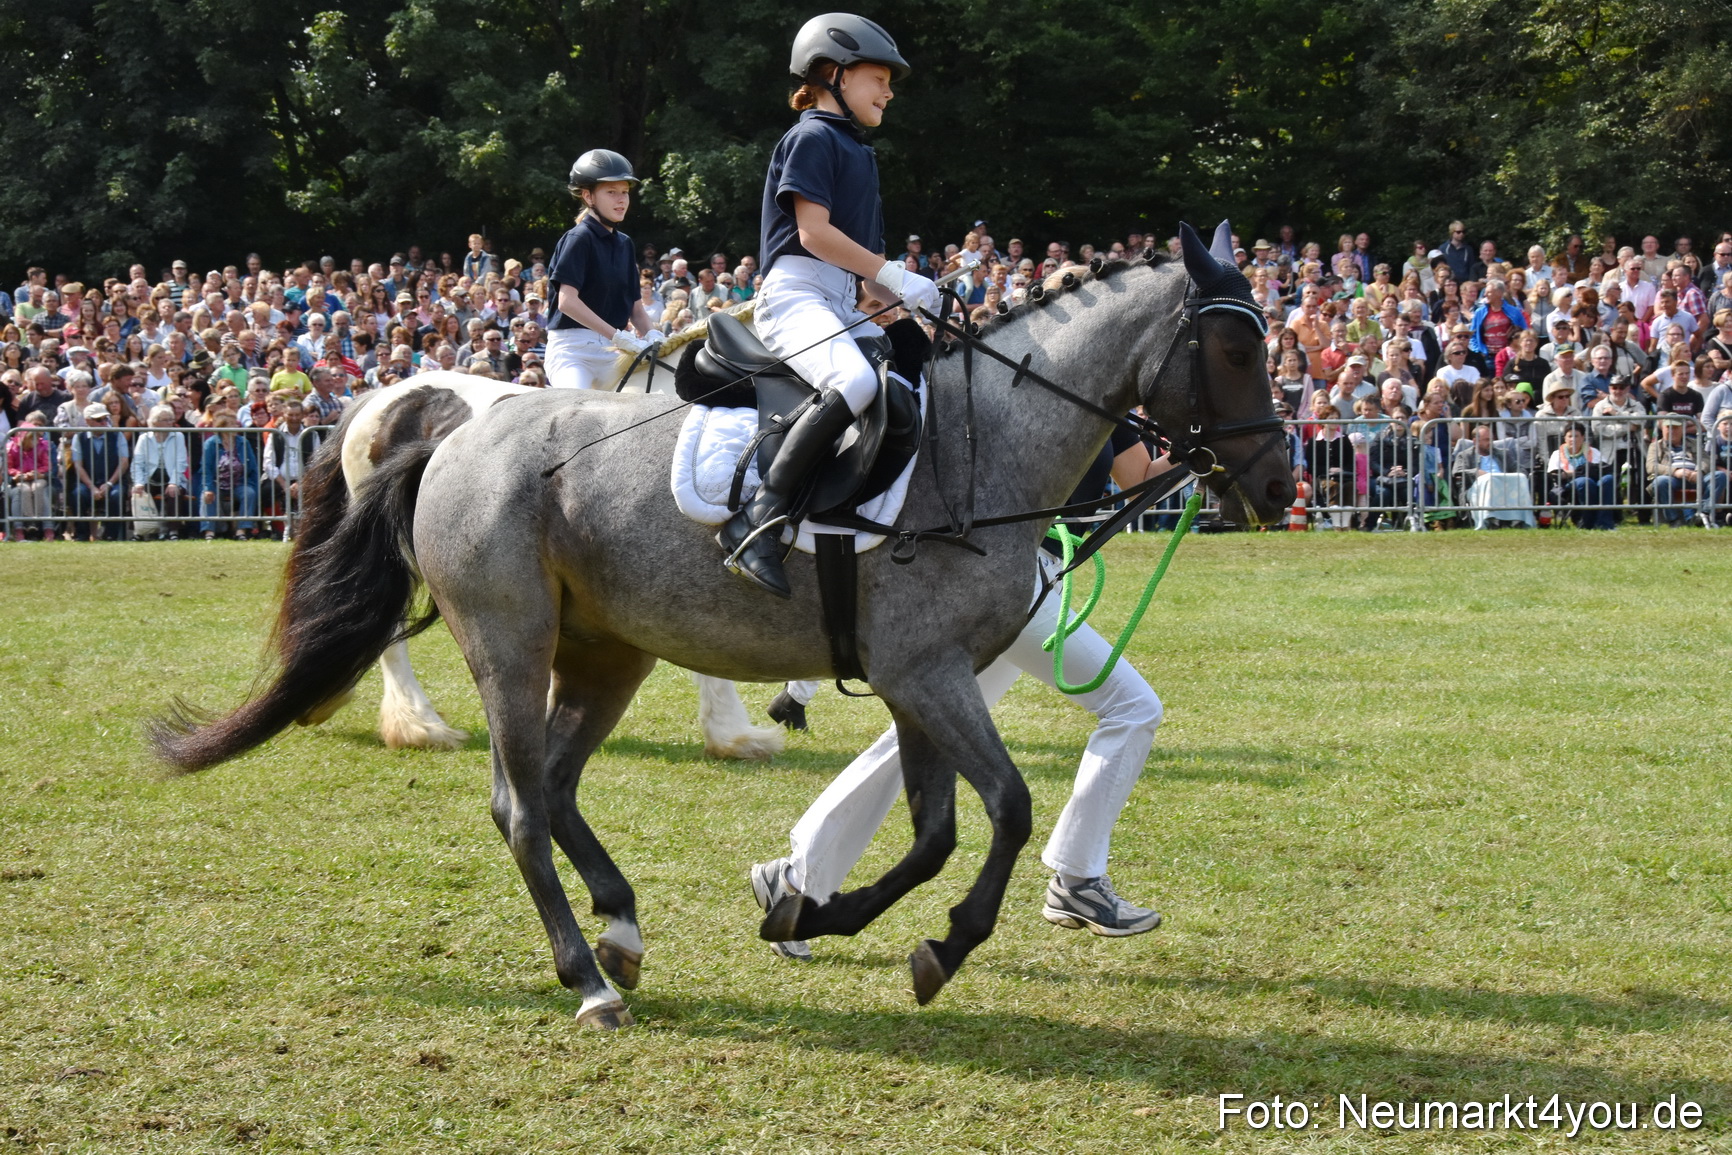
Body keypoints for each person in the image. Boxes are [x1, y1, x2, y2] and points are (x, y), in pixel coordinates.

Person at [751, 431, 1179, 957]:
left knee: (923, 735)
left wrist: (1202, 454)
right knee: (1133, 708)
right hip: (1006, 579)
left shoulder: (1114, 409)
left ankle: (795, 879)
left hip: (1038, 578)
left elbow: (1139, 480)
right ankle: (1077, 878)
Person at [716, 13, 938, 597]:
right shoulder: (812, 138)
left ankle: (845, 508)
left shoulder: (858, 152)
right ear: (834, 74)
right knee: (855, 382)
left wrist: (916, 300)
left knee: (908, 384)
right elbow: (813, 234)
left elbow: (869, 278)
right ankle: (756, 521)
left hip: (841, 299)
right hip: (795, 294)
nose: (889, 92)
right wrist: (893, 274)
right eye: (879, 79)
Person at [545, 149, 659, 390]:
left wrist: (654, 336)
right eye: (611, 192)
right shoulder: (578, 238)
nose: (621, 199)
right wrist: (617, 336)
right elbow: (567, 302)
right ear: (588, 196)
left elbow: (636, 310)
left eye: (625, 192)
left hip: (614, 352)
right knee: (574, 406)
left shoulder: (625, 243)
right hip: (574, 352)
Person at [69, 400, 130, 540]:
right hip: (87, 483)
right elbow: (78, 465)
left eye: (105, 419)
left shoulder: (117, 435)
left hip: (113, 481)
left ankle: (111, 536)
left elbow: (124, 462)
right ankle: (82, 535)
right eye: (99, 420)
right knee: (78, 494)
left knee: (116, 495)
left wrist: (109, 483)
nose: (104, 422)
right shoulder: (79, 437)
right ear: (88, 421)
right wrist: (91, 487)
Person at [130, 404, 192, 539]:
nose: (170, 422)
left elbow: (180, 462)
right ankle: (139, 531)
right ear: (155, 422)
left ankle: (173, 531)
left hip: (171, 477)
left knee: (174, 493)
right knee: (138, 493)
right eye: (165, 420)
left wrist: (174, 482)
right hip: (150, 478)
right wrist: (138, 483)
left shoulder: (178, 436)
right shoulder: (144, 438)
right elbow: (137, 463)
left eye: (171, 419)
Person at [198, 413, 260, 540]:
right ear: (222, 427)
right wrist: (208, 488)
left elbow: (253, 467)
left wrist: (253, 486)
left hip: (239, 482)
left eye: (236, 423)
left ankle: (241, 531)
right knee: (207, 495)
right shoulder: (210, 444)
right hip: (216, 483)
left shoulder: (243, 443)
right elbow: (206, 469)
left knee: (249, 493)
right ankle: (209, 532)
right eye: (231, 424)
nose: (236, 426)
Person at [1545, 422, 1616, 529]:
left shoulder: (1593, 452)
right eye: (1570, 436)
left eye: (1576, 436)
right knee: (1585, 481)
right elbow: (1555, 475)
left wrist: (1581, 472)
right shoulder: (1557, 454)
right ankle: (1588, 523)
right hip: (1569, 486)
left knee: (1608, 479)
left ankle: (1604, 523)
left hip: (1594, 481)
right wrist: (1577, 473)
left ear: (1583, 437)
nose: (1573, 439)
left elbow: (1603, 468)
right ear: (1565, 438)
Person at [6, 410, 54, 539]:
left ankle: (45, 526)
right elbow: (8, 467)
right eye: (33, 438)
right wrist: (17, 474)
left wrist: (38, 473)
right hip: (20, 480)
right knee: (23, 490)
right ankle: (25, 524)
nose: (36, 440)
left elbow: (48, 466)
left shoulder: (43, 446)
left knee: (39, 488)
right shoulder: (12, 448)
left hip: (39, 478)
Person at [1646, 418, 1700, 526]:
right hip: (1672, 478)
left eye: (1675, 428)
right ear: (1662, 429)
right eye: (1668, 427)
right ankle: (1674, 520)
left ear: (1682, 429)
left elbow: (1706, 460)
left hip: (1695, 476)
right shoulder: (1655, 446)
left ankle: (1705, 515)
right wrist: (1675, 472)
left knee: (1718, 476)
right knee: (1660, 481)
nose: (1671, 431)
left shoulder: (1694, 443)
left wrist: (1699, 471)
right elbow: (1651, 467)